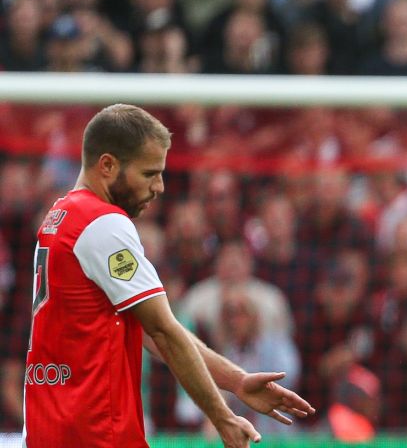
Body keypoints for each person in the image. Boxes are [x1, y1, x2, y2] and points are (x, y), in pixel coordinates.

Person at [23, 104, 314, 448]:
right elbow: (164, 330)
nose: (159, 186)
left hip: (52, 427)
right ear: (108, 165)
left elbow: (153, 330)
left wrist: (236, 381)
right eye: (149, 173)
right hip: (94, 432)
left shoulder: (60, 217)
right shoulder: (103, 224)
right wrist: (223, 416)